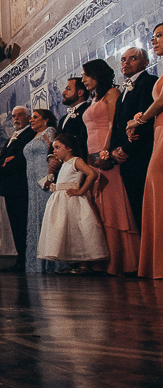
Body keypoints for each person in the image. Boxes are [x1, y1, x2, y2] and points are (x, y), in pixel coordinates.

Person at [82, 58, 140, 275]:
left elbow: (113, 124)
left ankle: (124, 261)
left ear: (98, 74)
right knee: (99, 205)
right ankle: (104, 261)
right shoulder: (93, 98)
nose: (83, 79)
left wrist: (106, 152)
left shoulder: (112, 93)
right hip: (92, 154)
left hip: (105, 154)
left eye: (87, 75)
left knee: (113, 205)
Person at [37, 134, 108, 273]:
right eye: (53, 148)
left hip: (71, 200)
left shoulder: (76, 161)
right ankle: (72, 262)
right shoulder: (64, 164)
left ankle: (83, 264)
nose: (54, 151)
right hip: (61, 202)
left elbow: (92, 174)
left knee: (77, 230)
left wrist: (81, 190)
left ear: (69, 148)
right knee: (65, 231)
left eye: (57, 147)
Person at [108, 46, 155, 232]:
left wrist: (126, 149)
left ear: (145, 62)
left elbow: (145, 121)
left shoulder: (148, 82)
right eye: (123, 59)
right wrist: (113, 150)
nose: (126, 62)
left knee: (149, 209)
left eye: (133, 58)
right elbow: (117, 125)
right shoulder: (123, 91)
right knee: (138, 211)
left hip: (142, 155)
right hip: (126, 160)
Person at [132, 24, 163, 278]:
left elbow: (162, 101)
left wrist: (140, 120)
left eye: (160, 36)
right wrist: (140, 118)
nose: (155, 41)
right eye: (153, 37)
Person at [0, 105, 33, 272]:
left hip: (20, 187)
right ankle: (20, 258)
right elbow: (2, 158)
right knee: (15, 224)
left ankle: (25, 260)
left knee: (22, 224)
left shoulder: (29, 135)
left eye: (20, 115)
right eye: (13, 116)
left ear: (28, 118)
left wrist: (0, 170)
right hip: (9, 188)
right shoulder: (12, 137)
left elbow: (20, 159)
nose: (16, 118)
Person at [24, 108, 57, 273]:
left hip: (44, 180)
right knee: (36, 216)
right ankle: (37, 263)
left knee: (46, 216)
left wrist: (50, 176)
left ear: (46, 120)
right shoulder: (34, 136)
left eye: (35, 117)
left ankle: (51, 262)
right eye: (31, 117)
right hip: (32, 185)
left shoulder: (49, 132)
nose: (31, 119)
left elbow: (53, 154)